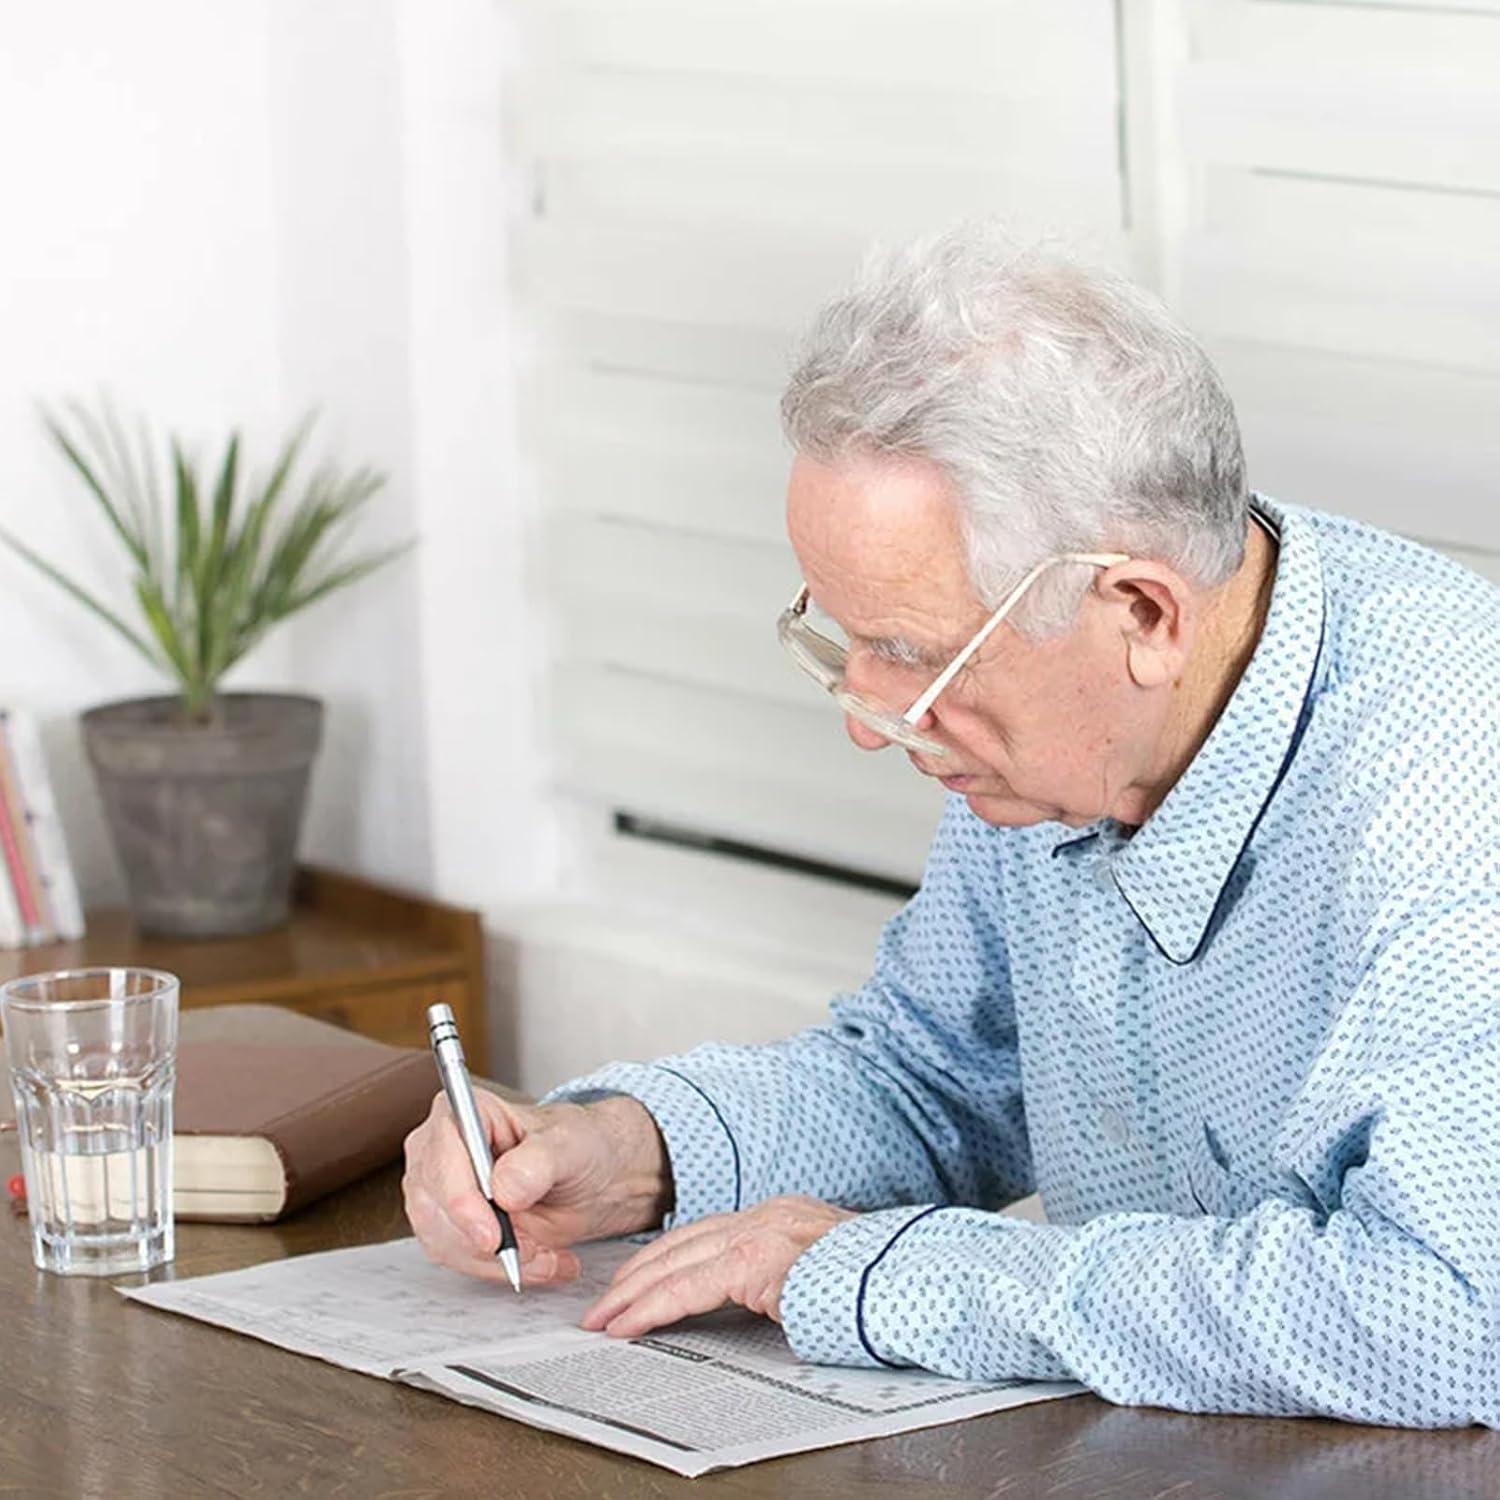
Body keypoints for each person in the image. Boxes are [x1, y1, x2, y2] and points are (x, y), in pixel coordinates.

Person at [403, 225, 1500, 1428]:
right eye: (846, 640)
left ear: (1142, 610)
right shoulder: (1057, 742)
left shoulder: (1447, 790)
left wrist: (886, 1276)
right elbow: (933, 1080)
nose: (873, 725)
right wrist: (628, 1150)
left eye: (911, 656)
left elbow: (1444, 1318)